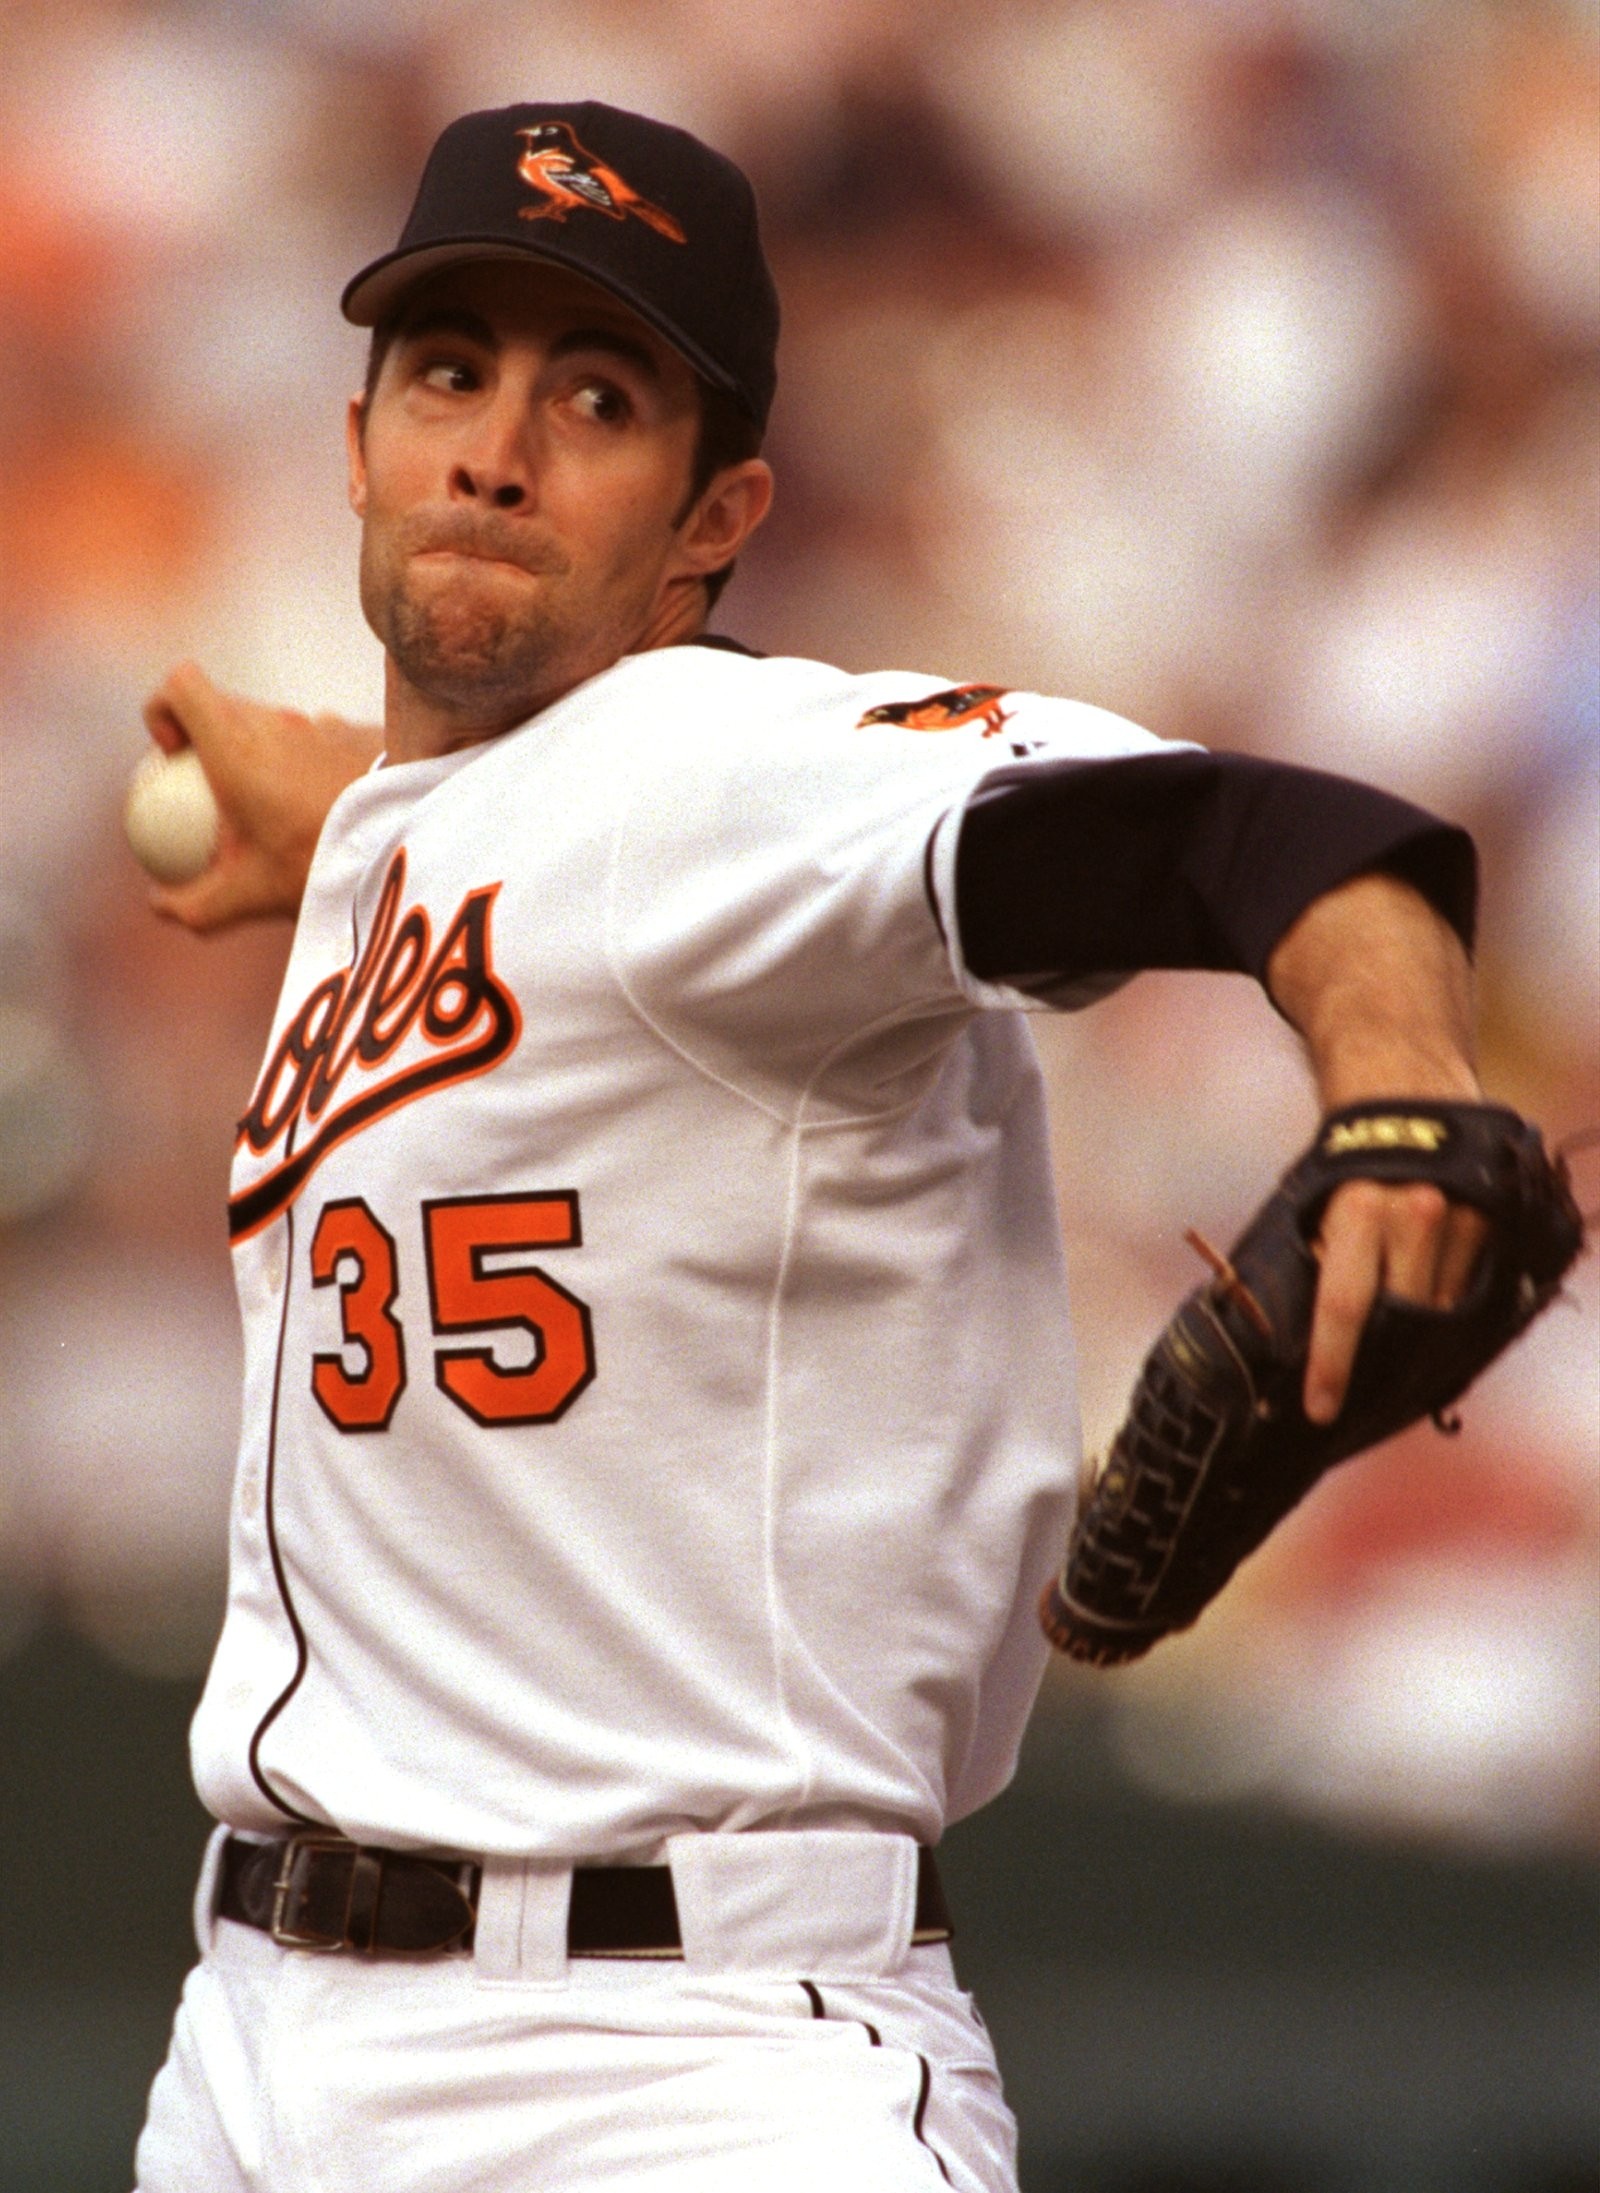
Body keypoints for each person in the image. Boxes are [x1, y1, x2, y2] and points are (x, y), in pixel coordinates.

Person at [132, 103, 1486, 2193]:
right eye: (448, 371)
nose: (495, 447)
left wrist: (1398, 1086)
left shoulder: (728, 771)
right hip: (253, 2043)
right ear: (356, 440)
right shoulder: (460, 844)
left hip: (670, 2067)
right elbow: (560, 895)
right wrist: (337, 821)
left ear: (713, 517)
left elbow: (1252, 835)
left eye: (596, 398)